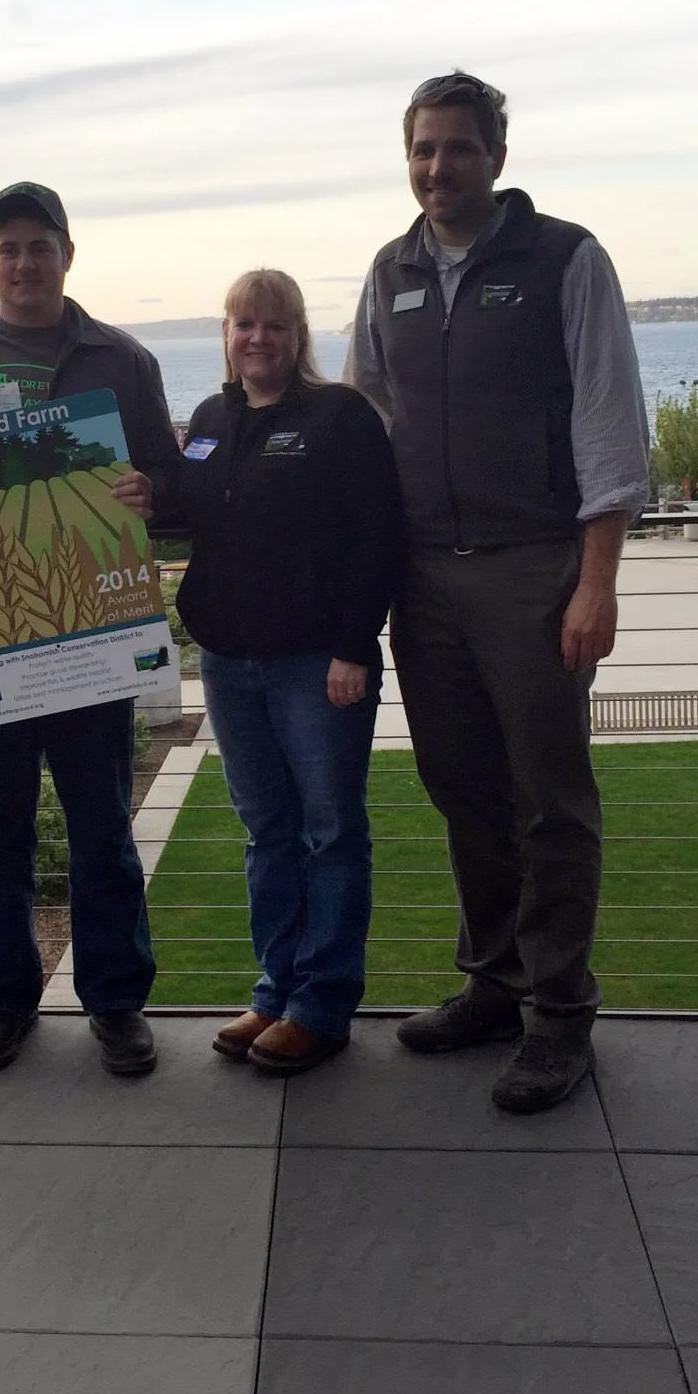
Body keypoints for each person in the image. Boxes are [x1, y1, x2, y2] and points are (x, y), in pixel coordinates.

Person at [346, 72, 650, 1113]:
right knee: (462, 788)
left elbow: (609, 424)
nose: (438, 167)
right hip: (424, 576)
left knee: (550, 800)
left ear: (497, 156)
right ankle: (494, 984)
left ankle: (559, 1016)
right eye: (423, 149)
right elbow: (366, 416)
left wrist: (596, 583)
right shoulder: (390, 271)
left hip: (534, 570)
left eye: (458, 148)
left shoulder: (565, 258)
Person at [0, 181, 184, 1077]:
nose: (24, 262)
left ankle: (115, 999)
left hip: (89, 633)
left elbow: (170, 479)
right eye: (9, 247)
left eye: (40, 246)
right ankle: (4, 997)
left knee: (101, 824)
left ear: (68, 253)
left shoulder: (121, 358)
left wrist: (151, 491)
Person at [121, 269, 402, 1074]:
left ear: (298, 335)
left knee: (330, 833)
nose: (258, 338)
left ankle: (322, 1006)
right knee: (268, 833)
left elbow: (379, 536)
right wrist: (148, 496)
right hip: (229, 664)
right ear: (226, 334)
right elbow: (195, 509)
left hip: (316, 665)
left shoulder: (340, 416)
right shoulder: (213, 419)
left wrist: (354, 647)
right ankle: (276, 992)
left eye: (275, 324)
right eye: (244, 323)